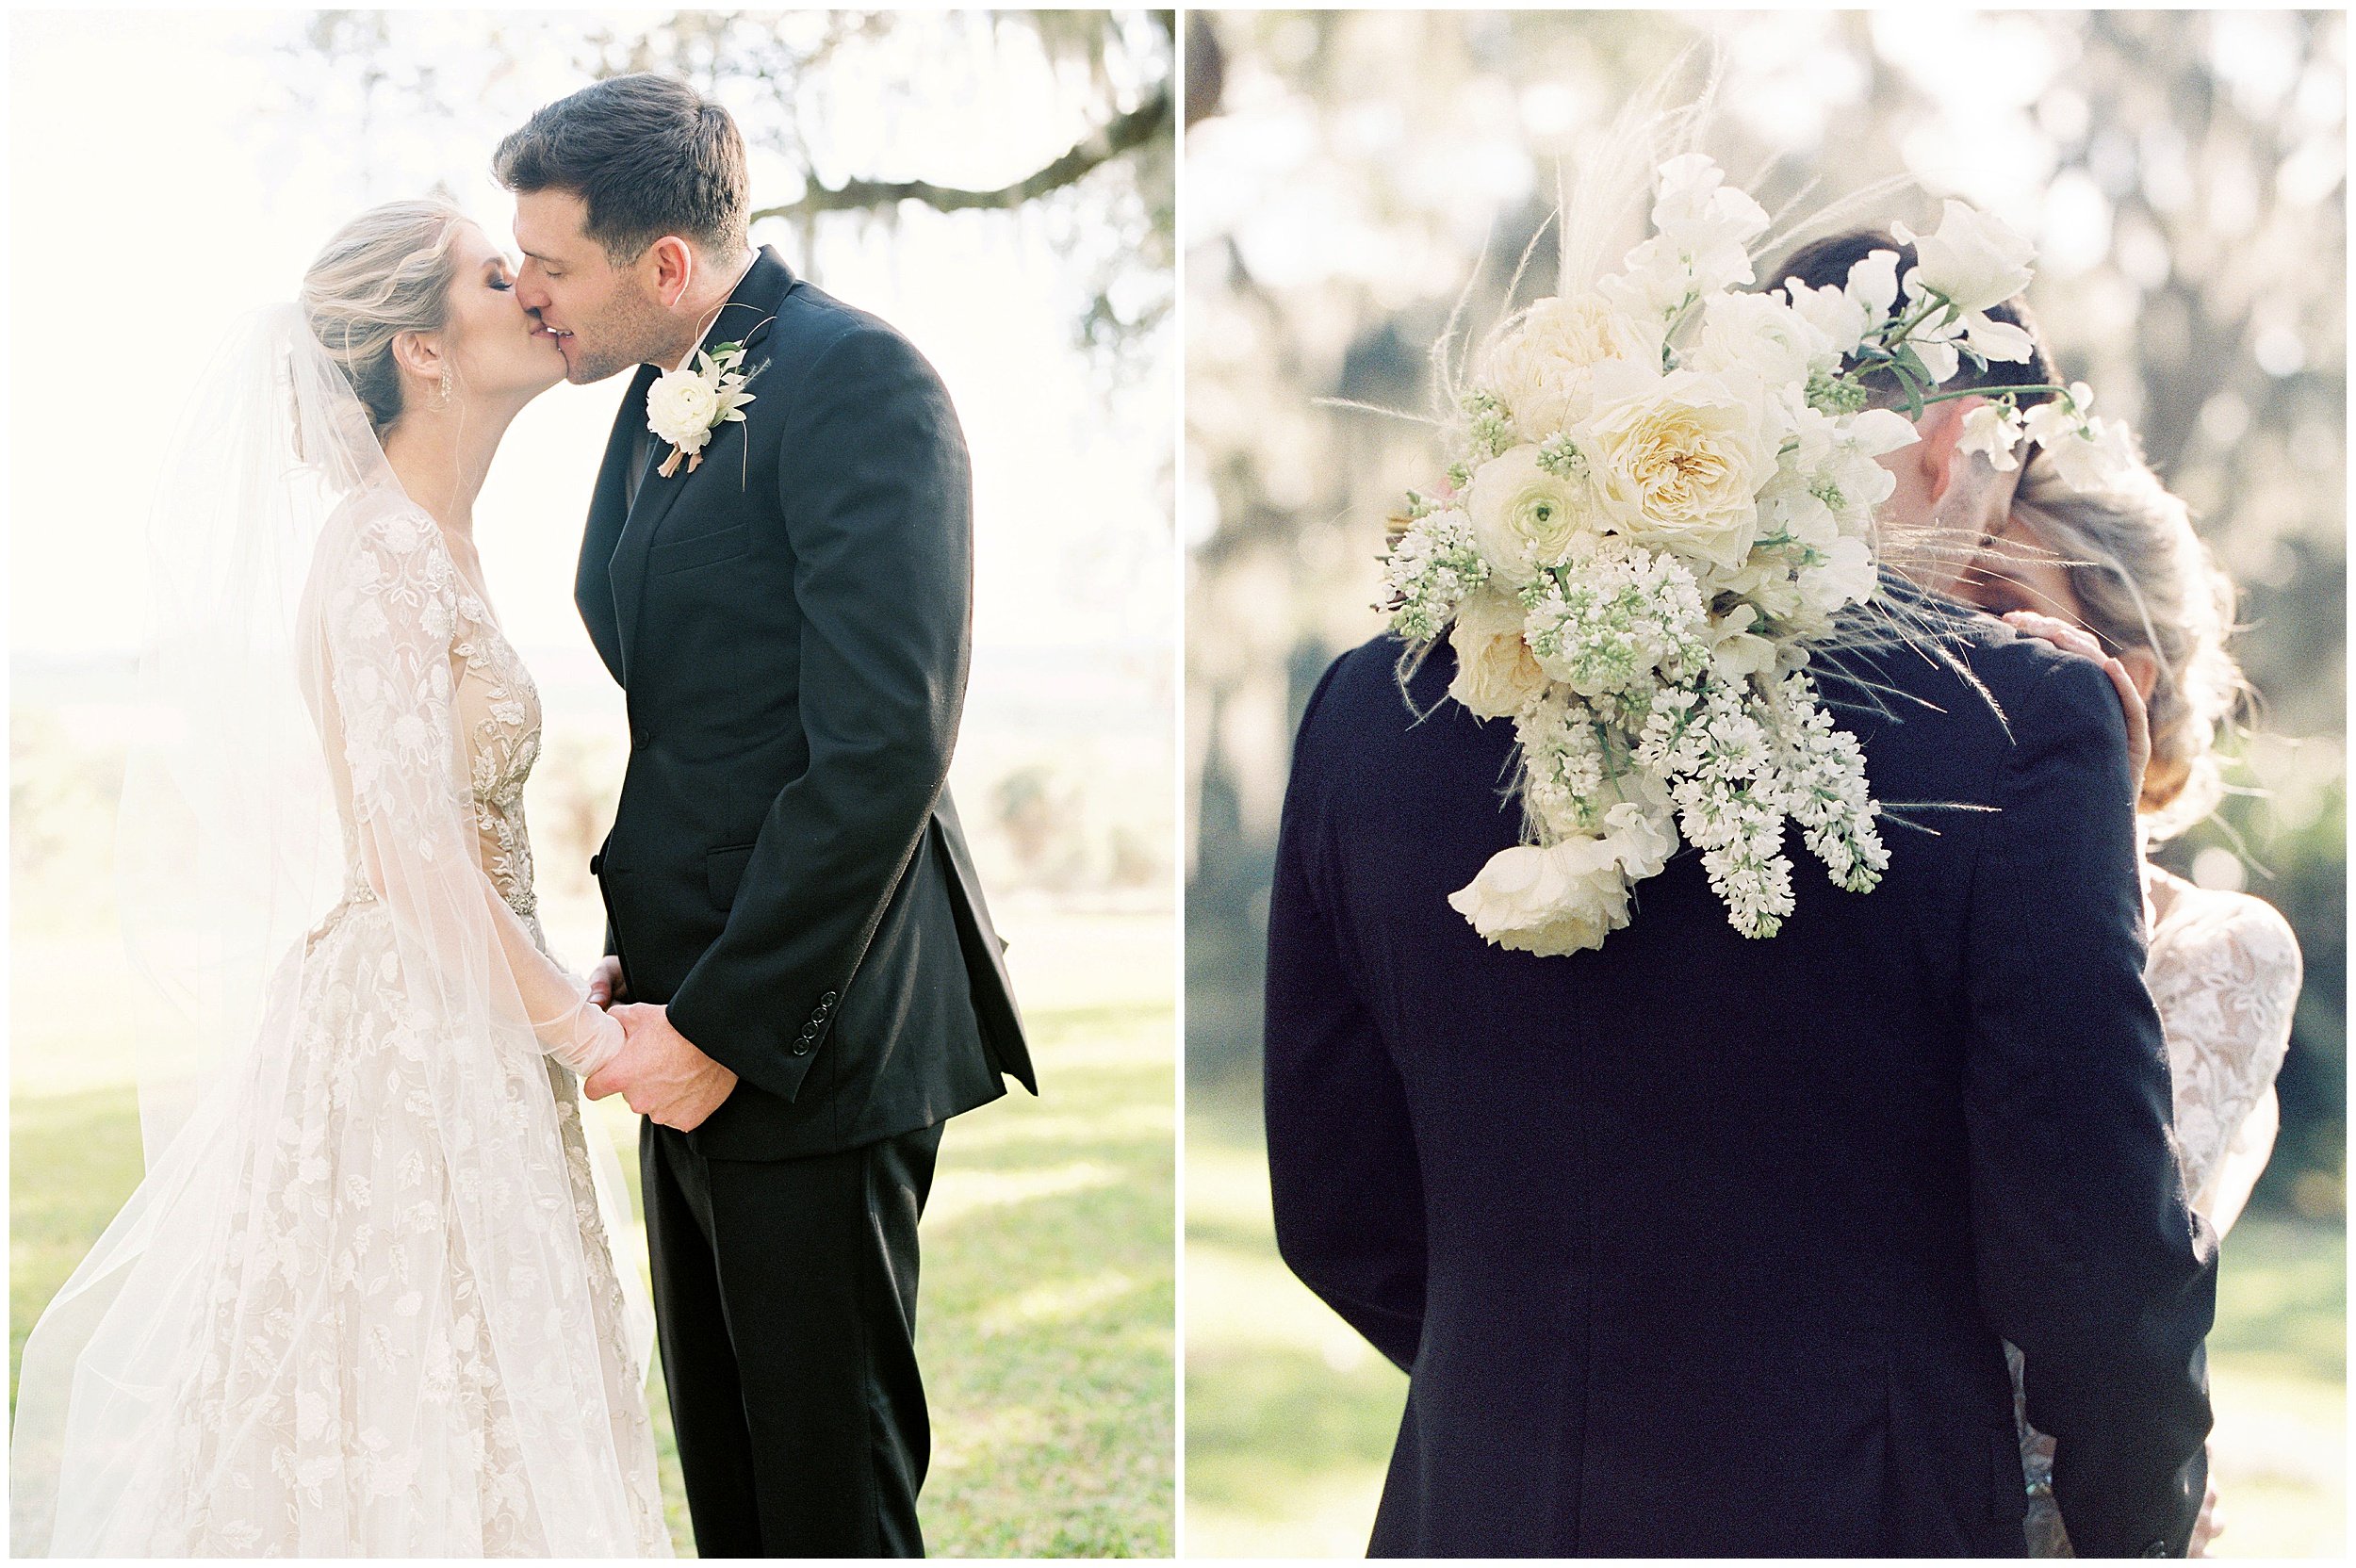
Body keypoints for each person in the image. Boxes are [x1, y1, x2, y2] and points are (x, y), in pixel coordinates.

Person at [1265, 211, 2217, 1554]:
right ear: (1948, 440)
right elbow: (2101, 1279)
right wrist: (2136, 1535)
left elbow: (1334, 1213)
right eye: (2006, 467)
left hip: (1478, 1515)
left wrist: (1547, 1399)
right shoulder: (2019, 722)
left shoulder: (1380, 706)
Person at [10, 198, 671, 1555]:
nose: (538, 291)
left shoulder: (448, 548)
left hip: (479, 1024)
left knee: (495, 1402)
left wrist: (547, 981)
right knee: (407, 1408)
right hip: (407, 1048)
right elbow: (413, 856)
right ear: (422, 351)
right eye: (500, 275)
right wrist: (587, 1036)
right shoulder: (376, 551)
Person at [494, 74, 1036, 1558]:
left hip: (814, 1025)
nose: (524, 289)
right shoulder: (651, 395)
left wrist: (725, 1026)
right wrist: (658, 1005)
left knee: (823, 1489)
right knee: (734, 1478)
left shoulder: (861, 380)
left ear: (664, 267)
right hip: (682, 1000)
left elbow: (882, 742)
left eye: (550, 264)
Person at [1958, 436, 2300, 1558]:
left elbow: (2096, 1297)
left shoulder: (2219, 945)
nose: (1949, 641)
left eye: (1998, 601)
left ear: (2121, 681)